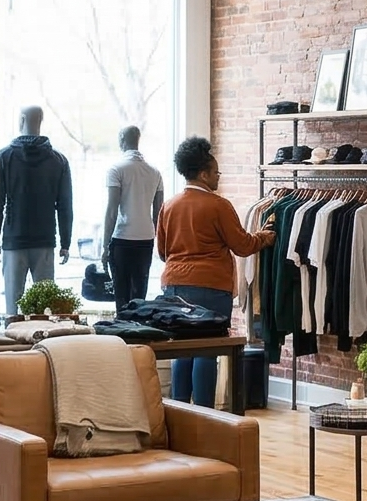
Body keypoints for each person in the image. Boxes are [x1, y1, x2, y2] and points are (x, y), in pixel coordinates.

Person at [154, 137, 273, 408]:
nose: (219, 176)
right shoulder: (219, 205)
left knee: (182, 350)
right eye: (216, 172)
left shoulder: (169, 206)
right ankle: (206, 415)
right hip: (210, 287)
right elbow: (242, 245)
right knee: (207, 349)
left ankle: (179, 411)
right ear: (203, 174)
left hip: (173, 286)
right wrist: (264, 237)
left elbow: (162, 251)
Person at [0, 106, 73, 309]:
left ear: (22, 120)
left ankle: (14, 330)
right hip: (45, 241)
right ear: (41, 121)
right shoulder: (59, 161)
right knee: (45, 308)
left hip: (14, 239)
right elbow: (65, 206)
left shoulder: (4, 157)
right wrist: (65, 242)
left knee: (13, 307)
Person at [103, 125, 164, 305]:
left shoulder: (116, 169)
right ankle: (138, 322)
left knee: (121, 294)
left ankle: (122, 322)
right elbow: (158, 212)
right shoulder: (155, 172)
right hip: (146, 238)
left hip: (122, 237)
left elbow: (112, 210)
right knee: (139, 294)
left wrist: (105, 246)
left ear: (121, 140)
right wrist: (157, 240)